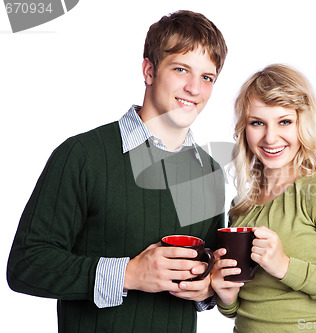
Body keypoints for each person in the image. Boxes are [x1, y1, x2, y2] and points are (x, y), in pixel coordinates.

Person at [7, 10, 227, 333]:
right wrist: (128, 275)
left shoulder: (209, 172)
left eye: (207, 77)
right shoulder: (82, 156)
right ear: (149, 70)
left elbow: (209, 277)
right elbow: (25, 264)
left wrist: (207, 290)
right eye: (181, 69)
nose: (195, 88)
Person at [211, 64, 316, 332]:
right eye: (257, 123)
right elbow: (249, 307)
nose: (270, 137)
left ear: (302, 124)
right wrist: (227, 297)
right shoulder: (241, 206)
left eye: (284, 122)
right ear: (245, 129)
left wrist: (284, 266)